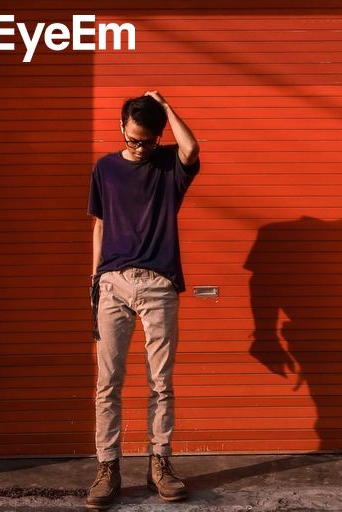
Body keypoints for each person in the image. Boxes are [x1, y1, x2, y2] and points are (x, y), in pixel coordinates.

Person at [85, 91, 201, 508]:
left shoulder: (169, 165)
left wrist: (167, 108)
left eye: (147, 141)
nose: (139, 148)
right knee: (107, 383)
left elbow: (192, 148)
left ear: (157, 136)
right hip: (113, 282)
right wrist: (95, 279)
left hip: (159, 284)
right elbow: (99, 225)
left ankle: (160, 466)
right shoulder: (106, 168)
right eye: (133, 139)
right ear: (121, 128)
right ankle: (108, 468)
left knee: (161, 383)